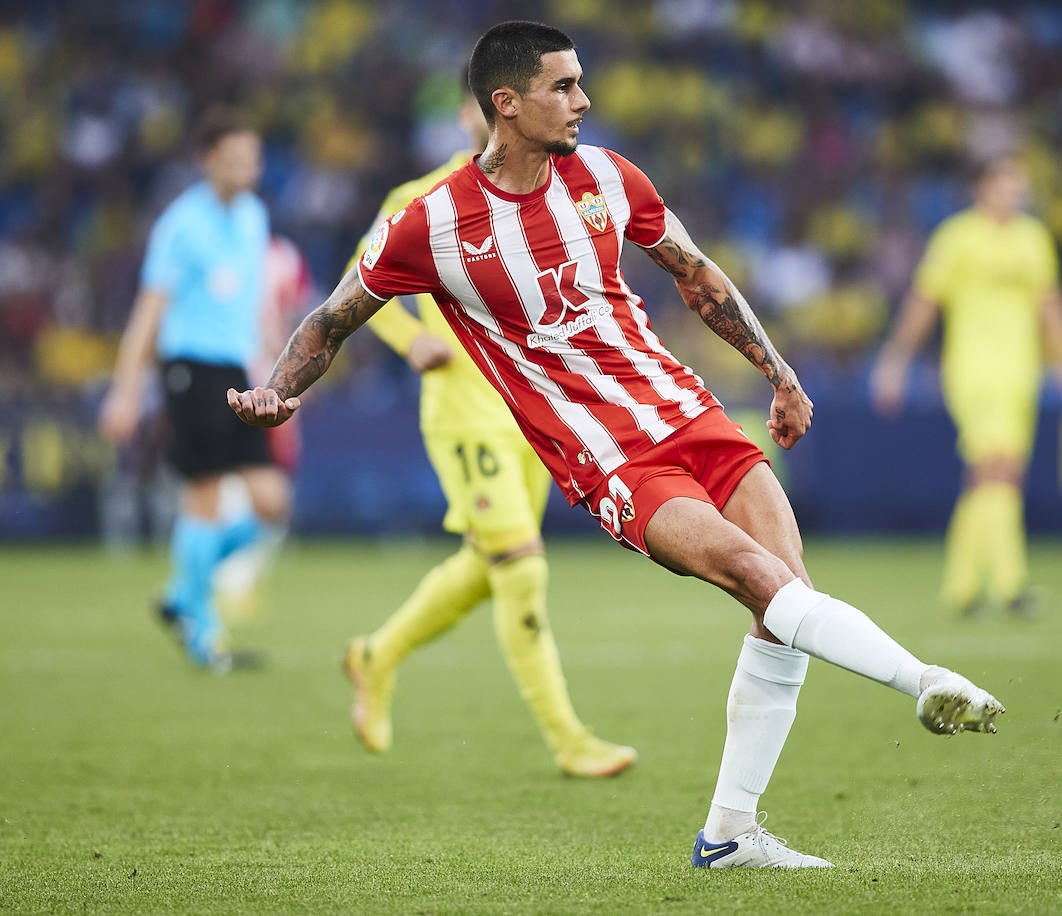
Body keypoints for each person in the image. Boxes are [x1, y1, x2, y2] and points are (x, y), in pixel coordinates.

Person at [228, 20, 1003, 868]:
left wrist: (778, 372)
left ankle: (730, 835)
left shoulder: (605, 174)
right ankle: (923, 680)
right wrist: (280, 391)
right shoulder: (433, 224)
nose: (583, 101)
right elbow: (333, 317)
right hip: (610, 458)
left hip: (689, 412)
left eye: (581, 82)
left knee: (785, 603)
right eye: (563, 86)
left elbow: (695, 272)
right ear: (507, 103)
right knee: (755, 576)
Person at [341, 88, 636, 776]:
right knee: (522, 566)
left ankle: (373, 657)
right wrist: (409, 341)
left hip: (534, 412)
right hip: (466, 411)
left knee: (491, 564)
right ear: (470, 113)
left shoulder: (554, 192)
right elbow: (360, 280)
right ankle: (570, 741)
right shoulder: (426, 197)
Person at [101, 105, 289, 672]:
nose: (245, 169)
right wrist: (126, 391)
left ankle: (183, 592)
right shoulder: (180, 225)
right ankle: (205, 636)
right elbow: (149, 311)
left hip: (237, 373)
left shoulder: (254, 216)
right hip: (188, 370)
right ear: (205, 161)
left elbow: (256, 304)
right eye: (233, 159)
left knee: (271, 505)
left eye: (251, 159)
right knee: (204, 498)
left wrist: (282, 371)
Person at [870, 156, 1062, 617]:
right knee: (1001, 468)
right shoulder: (957, 238)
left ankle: (962, 586)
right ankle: (1011, 584)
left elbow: (1050, 307)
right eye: (1005, 186)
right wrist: (895, 361)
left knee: (988, 476)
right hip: (972, 371)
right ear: (983, 189)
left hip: (1020, 373)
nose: (1013, 195)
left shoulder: (1033, 239)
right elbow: (923, 303)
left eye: (1019, 187)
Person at [215, 234, 313, 622]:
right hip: (230, 378)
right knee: (237, 480)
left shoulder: (285, 256)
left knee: (274, 491)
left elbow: (305, 313)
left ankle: (226, 575)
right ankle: (230, 582)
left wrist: (301, 368)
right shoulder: (221, 248)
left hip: (276, 377)